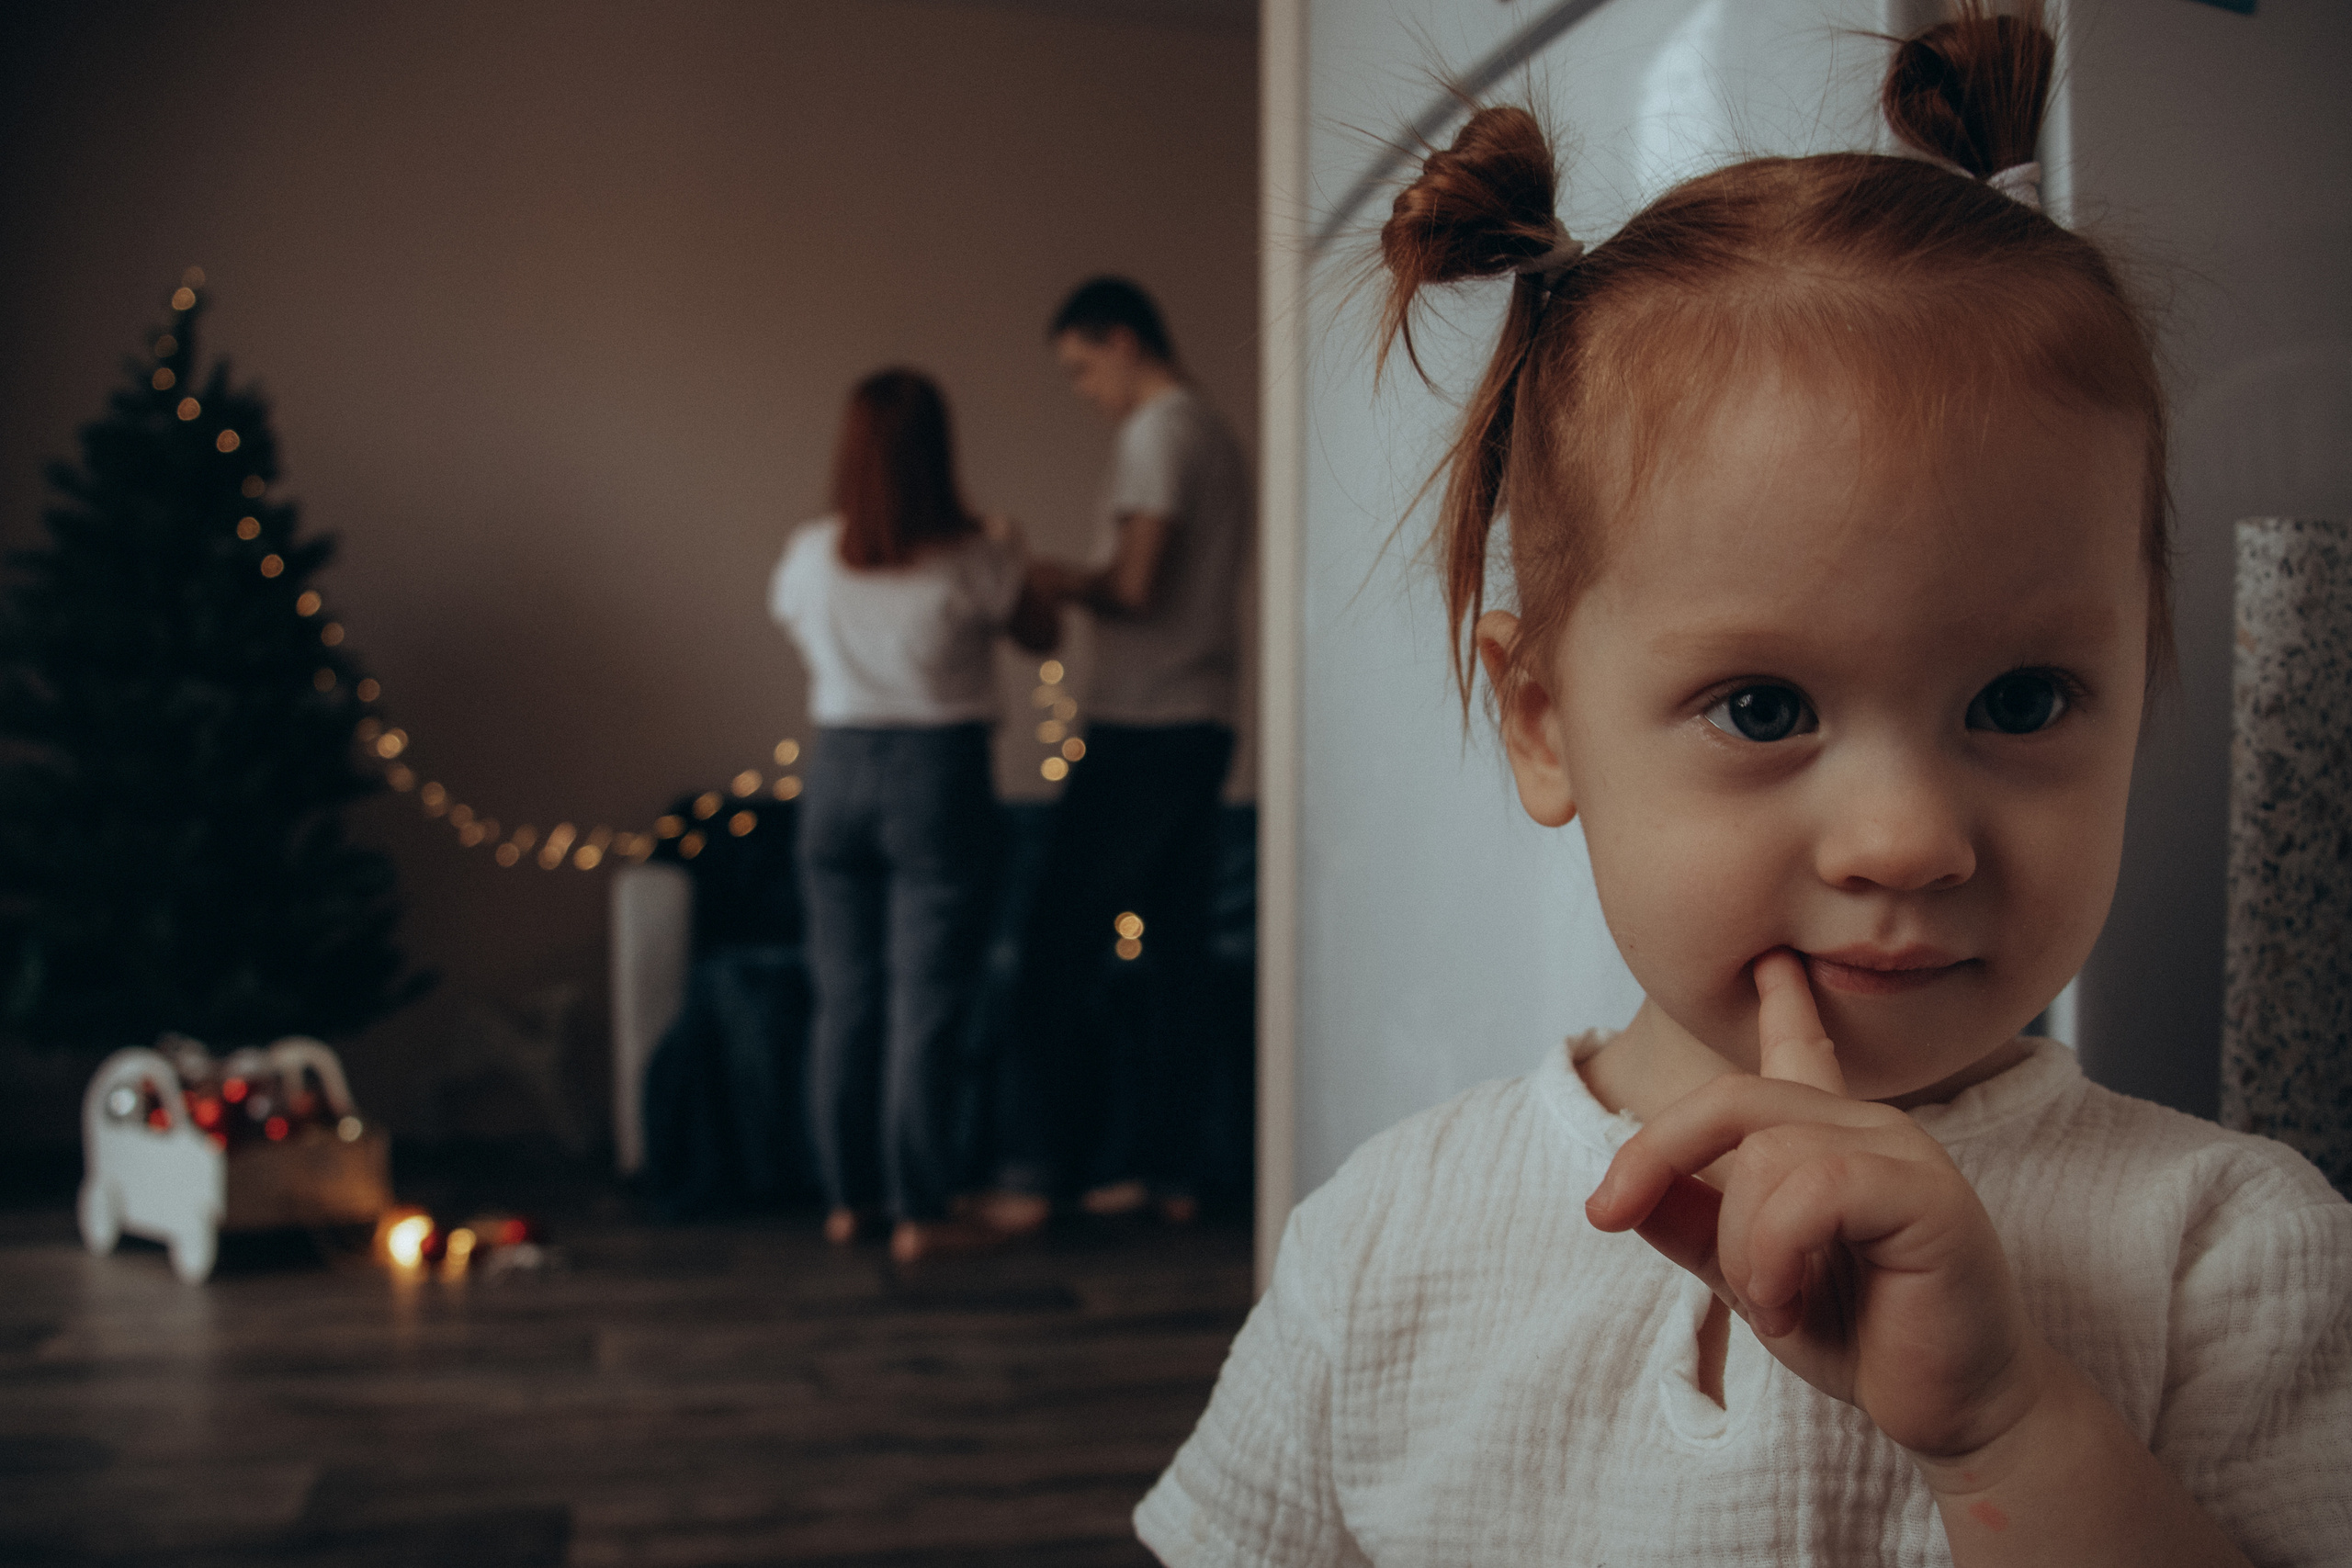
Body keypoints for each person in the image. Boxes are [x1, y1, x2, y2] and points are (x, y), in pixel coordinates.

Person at [1135, 11, 2350, 1567]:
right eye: (1765, 706)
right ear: (1543, 722)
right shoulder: (1383, 1244)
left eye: (2022, 699)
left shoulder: (2233, 1252)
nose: (1907, 837)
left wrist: (2005, 1427)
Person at [771, 368, 1057, 1265]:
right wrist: (1015, 554)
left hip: (836, 773)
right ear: (938, 451)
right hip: (938, 776)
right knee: (925, 1004)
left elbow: (793, 622)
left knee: (845, 1002)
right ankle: (920, 1211)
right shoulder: (980, 552)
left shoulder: (810, 553)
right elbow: (1043, 635)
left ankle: (850, 1201)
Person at [986, 277, 1252, 1229]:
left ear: (1121, 340)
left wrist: (1052, 575)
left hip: (1143, 725)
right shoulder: (1213, 432)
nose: (1084, 392)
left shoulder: (1159, 433)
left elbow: (1136, 585)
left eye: (1080, 369)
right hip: (1202, 717)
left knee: (1056, 947)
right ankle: (1168, 1175)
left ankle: (1030, 1174)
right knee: (1174, 956)